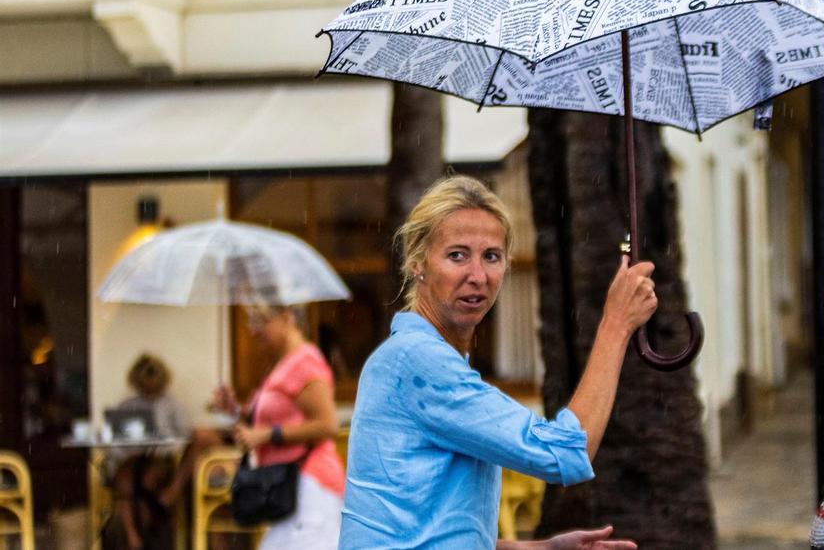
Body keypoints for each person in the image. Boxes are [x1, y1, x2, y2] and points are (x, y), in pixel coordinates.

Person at [339, 176, 646, 549]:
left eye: (491, 256)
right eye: (457, 255)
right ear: (417, 263)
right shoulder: (418, 361)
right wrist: (616, 324)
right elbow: (565, 453)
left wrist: (542, 548)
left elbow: (434, 531)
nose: (478, 276)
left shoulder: (422, 358)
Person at [207, 303, 344, 550]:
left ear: (287, 317)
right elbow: (259, 426)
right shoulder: (281, 365)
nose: (254, 331)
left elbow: (327, 425)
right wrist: (233, 410)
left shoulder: (305, 361)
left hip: (310, 487)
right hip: (288, 491)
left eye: (261, 321)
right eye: (252, 322)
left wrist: (269, 435)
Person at [107, 353, 190, 550]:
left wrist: (161, 447)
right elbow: (115, 442)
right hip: (132, 460)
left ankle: (140, 538)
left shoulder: (172, 405)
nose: (149, 393)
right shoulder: (127, 405)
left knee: (142, 484)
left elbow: (182, 439)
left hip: (158, 460)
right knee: (126, 482)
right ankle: (134, 539)